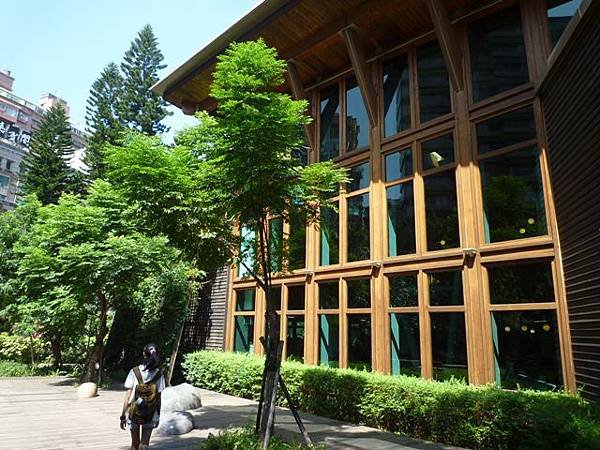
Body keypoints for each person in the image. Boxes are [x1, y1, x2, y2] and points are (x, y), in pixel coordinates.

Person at [120, 344, 166, 450]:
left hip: (134, 411)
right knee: (144, 444)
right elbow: (158, 397)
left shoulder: (134, 371)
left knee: (134, 445)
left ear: (144, 354)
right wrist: (158, 414)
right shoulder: (159, 374)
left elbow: (127, 396)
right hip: (150, 412)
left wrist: (123, 415)